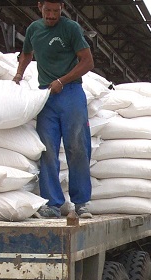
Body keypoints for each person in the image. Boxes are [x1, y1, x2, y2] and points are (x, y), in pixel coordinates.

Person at [14, 1, 94, 219]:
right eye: (47, 10)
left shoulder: (71, 29)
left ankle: (81, 203)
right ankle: (52, 203)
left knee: (77, 146)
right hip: (46, 96)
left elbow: (87, 62)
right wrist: (18, 76)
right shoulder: (34, 29)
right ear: (40, 6)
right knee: (47, 149)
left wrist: (62, 80)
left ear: (62, 8)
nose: (51, 15)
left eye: (56, 11)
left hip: (70, 93)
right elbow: (27, 54)